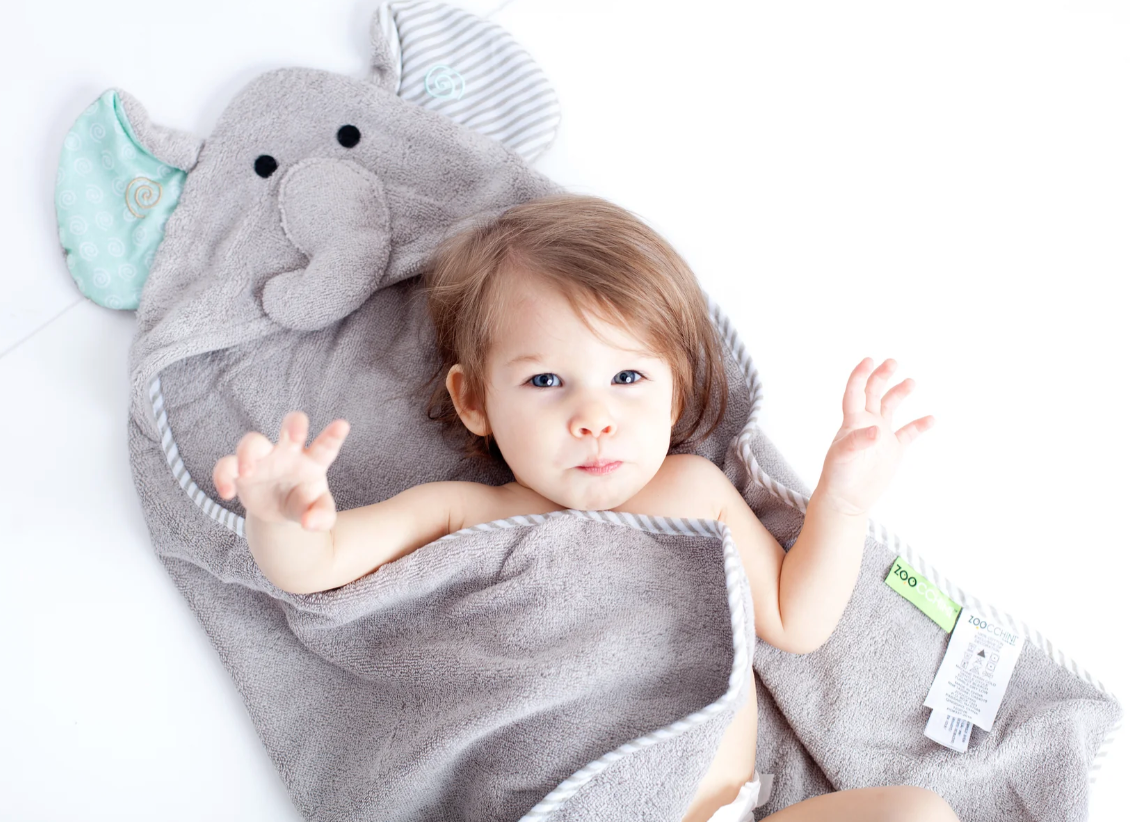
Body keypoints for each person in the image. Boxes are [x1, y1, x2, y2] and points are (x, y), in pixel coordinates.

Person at [212, 193, 955, 822]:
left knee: (918, 814)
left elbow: (799, 619)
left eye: (627, 377)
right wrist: (282, 517)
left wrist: (843, 502)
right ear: (474, 401)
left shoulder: (693, 494)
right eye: (545, 382)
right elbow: (316, 567)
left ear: (676, 389)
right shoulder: (462, 514)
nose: (593, 417)